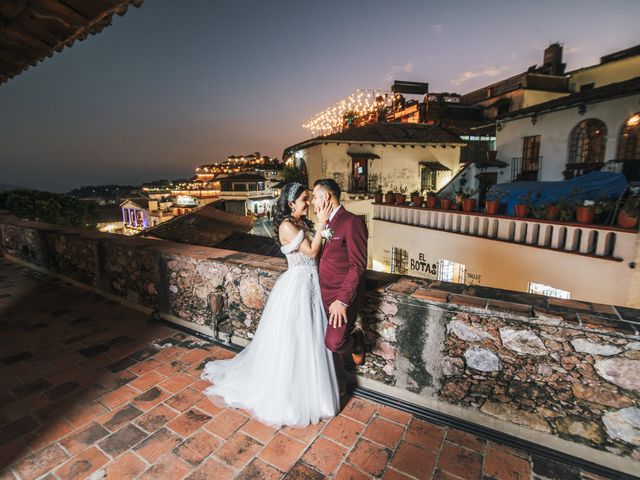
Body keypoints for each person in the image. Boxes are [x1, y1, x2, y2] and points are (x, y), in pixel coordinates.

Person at [200, 182, 339, 428]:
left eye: (309, 199)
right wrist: (322, 223)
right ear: (291, 203)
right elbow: (311, 252)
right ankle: (289, 393)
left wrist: (320, 226)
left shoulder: (302, 223)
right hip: (297, 284)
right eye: (305, 199)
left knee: (310, 336)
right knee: (294, 338)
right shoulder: (287, 225)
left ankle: (311, 387)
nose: (308, 203)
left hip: (310, 283)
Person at [311, 178, 368, 396]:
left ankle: (356, 343)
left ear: (326, 197)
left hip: (340, 296)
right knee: (327, 348)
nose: (314, 201)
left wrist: (343, 300)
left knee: (334, 342)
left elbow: (357, 265)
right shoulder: (324, 222)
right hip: (322, 293)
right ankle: (339, 386)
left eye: (315, 197)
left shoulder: (351, 221)